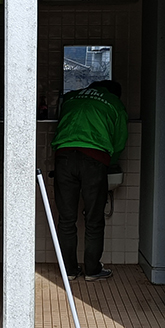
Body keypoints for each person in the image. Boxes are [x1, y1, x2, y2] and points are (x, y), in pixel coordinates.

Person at [51, 79, 128, 281]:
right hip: (94, 160)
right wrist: (110, 162)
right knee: (94, 219)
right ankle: (92, 270)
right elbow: (120, 140)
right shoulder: (114, 102)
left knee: (66, 219)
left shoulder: (71, 97)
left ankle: (69, 270)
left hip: (64, 157)